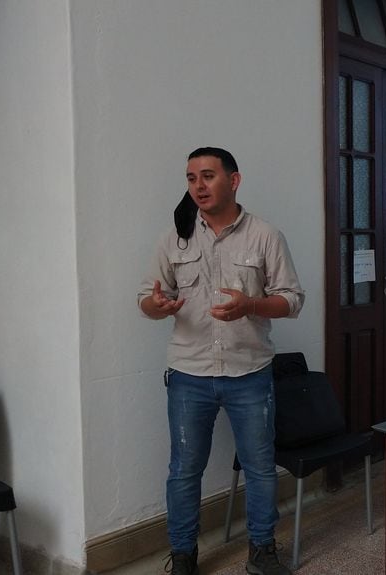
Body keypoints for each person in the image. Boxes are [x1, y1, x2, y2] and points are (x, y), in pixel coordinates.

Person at [138, 147, 305, 575]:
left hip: (249, 371)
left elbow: (291, 300)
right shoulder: (173, 238)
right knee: (183, 470)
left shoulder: (265, 235)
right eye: (192, 177)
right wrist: (158, 306)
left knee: (261, 467)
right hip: (188, 374)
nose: (198, 185)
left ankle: (262, 551)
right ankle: (183, 556)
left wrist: (249, 304)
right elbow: (146, 299)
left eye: (208, 176)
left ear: (234, 180)